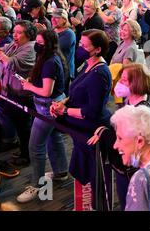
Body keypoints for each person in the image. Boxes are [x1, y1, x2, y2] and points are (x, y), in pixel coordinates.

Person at [50, 29, 112, 209]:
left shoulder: (99, 74)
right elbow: (76, 91)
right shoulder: (87, 65)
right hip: (79, 127)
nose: (80, 48)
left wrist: (65, 111)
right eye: (80, 44)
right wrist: (62, 103)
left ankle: (95, 204)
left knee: (94, 175)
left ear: (98, 49)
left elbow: (91, 111)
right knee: (83, 170)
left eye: (85, 46)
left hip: (90, 128)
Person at [88, 63, 150, 209]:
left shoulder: (142, 111)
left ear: (136, 82)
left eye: (124, 80)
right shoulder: (130, 102)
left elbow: (129, 141)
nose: (119, 83)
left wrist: (104, 132)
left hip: (132, 171)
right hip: (124, 169)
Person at [16, 30, 68, 203]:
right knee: (55, 138)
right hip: (49, 105)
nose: (37, 45)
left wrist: (29, 86)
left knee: (35, 147)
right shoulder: (49, 57)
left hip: (48, 108)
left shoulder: (50, 62)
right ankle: (61, 172)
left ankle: (37, 185)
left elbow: (47, 91)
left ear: (48, 44)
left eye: (40, 42)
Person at [0, 20, 37, 167]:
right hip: (9, 92)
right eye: (14, 31)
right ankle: (23, 151)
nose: (15, 35)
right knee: (19, 126)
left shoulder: (30, 48)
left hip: (22, 95)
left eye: (19, 32)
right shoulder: (14, 45)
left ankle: (27, 156)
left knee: (24, 127)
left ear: (28, 34)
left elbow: (8, 63)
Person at [51, 9, 75, 88]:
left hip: (64, 70)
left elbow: (54, 48)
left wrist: (46, 36)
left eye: (57, 17)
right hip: (55, 67)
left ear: (64, 19)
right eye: (52, 17)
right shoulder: (54, 30)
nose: (53, 19)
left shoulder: (69, 34)